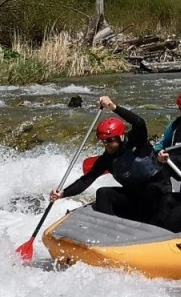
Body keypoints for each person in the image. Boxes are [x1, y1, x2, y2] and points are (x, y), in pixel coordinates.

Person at [51, 96, 171, 224]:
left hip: (158, 191)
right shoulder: (107, 159)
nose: (106, 145)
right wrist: (63, 194)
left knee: (151, 190)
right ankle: (107, 227)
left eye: (109, 140)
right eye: (103, 141)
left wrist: (114, 107)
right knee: (103, 193)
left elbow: (139, 122)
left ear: (120, 136)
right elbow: (86, 180)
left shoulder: (137, 141)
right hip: (135, 195)